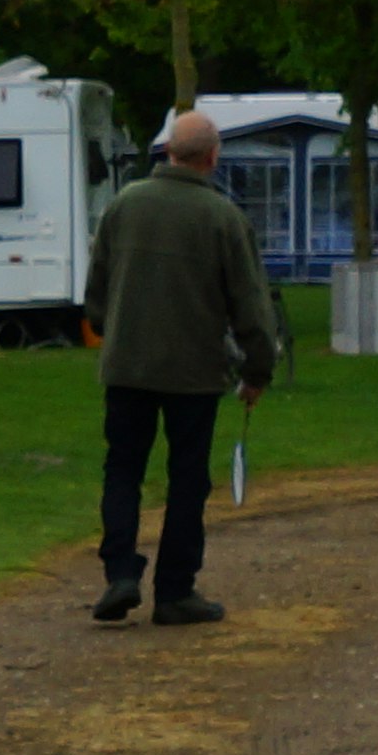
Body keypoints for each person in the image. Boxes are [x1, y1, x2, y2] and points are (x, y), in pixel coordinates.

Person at [78, 107, 277, 625]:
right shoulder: (223, 218)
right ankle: (174, 590)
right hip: (194, 371)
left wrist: (110, 326)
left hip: (128, 365)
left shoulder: (123, 204)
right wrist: (257, 370)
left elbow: (97, 292)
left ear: (167, 151)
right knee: (187, 478)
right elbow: (250, 306)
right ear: (212, 157)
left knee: (123, 468)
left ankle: (120, 571)